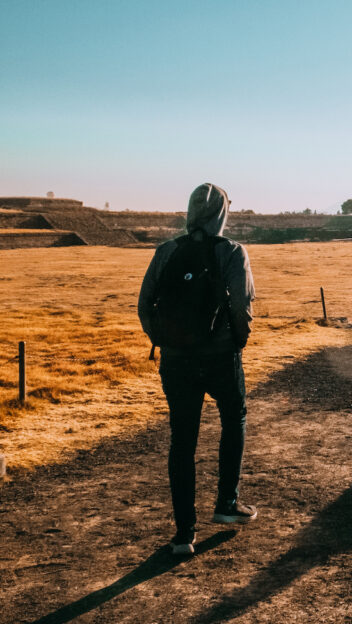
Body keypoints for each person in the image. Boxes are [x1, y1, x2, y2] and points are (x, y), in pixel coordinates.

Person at [138, 183, 257, 557]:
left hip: (177, 363)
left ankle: (183, 535)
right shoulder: (232, 252)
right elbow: (242, 307)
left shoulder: (167, 251)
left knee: (182, 441)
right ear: (222, 214)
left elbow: (144, 306)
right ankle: (226, 504)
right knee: (233, 417)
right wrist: (237, 340)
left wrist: (168, 341)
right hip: (221, 356)